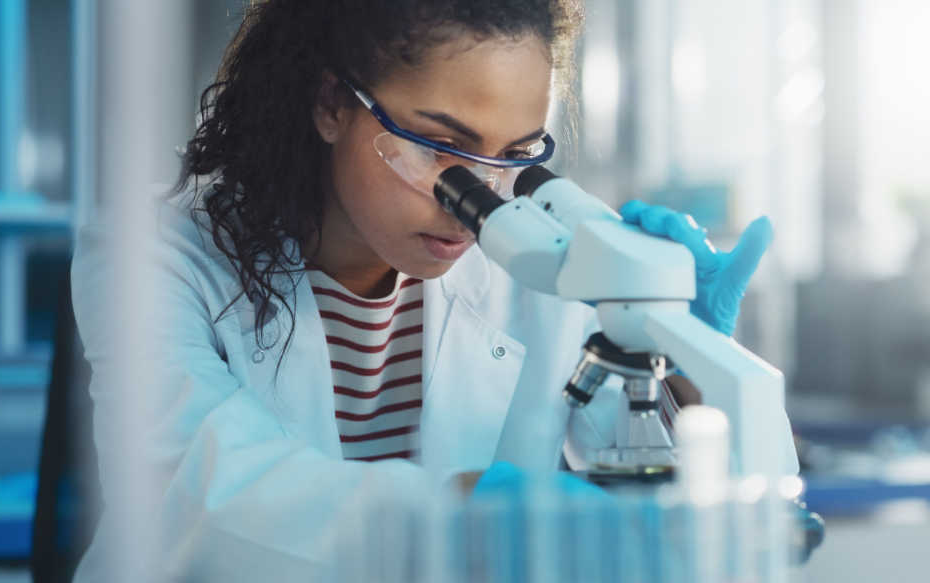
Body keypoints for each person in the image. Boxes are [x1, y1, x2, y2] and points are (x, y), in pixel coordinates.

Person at [70, 0, 797, 580]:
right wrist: (474, 517)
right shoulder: (155, 255)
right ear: (331, 103)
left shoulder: (537, 267)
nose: (474, 197)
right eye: (439, 148)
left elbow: (683, 497)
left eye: (514, 156)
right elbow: (207, 499)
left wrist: (686, 351)